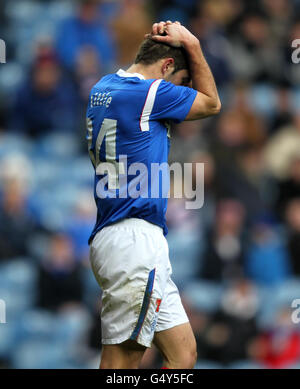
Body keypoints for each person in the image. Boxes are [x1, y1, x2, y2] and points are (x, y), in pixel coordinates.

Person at [86, 21, 221, 369]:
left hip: (121, 236)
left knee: (183, 355)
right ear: (166, 67)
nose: (181, 95)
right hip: (134, 242)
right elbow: (211, 104)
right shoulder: (148, 93)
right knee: (121, 364)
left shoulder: (102, 88)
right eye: (180, 83)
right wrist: (192, 42)